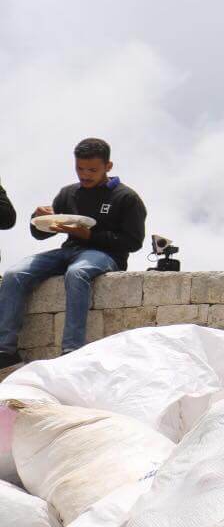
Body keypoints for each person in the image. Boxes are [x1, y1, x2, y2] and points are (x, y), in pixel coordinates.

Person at [0, 139, 148, 366]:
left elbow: (133, 241)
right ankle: (5, 351)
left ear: (108, 167)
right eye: (80, 168)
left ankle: (71, 351)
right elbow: (42, 233)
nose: (85, 175)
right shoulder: (69, 193)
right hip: (69, 250)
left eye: (92, 170)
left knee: (77, 273)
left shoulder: (125, 197)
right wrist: (36, 218)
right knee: (15, 274)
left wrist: (90, 236)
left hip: (105, 255)